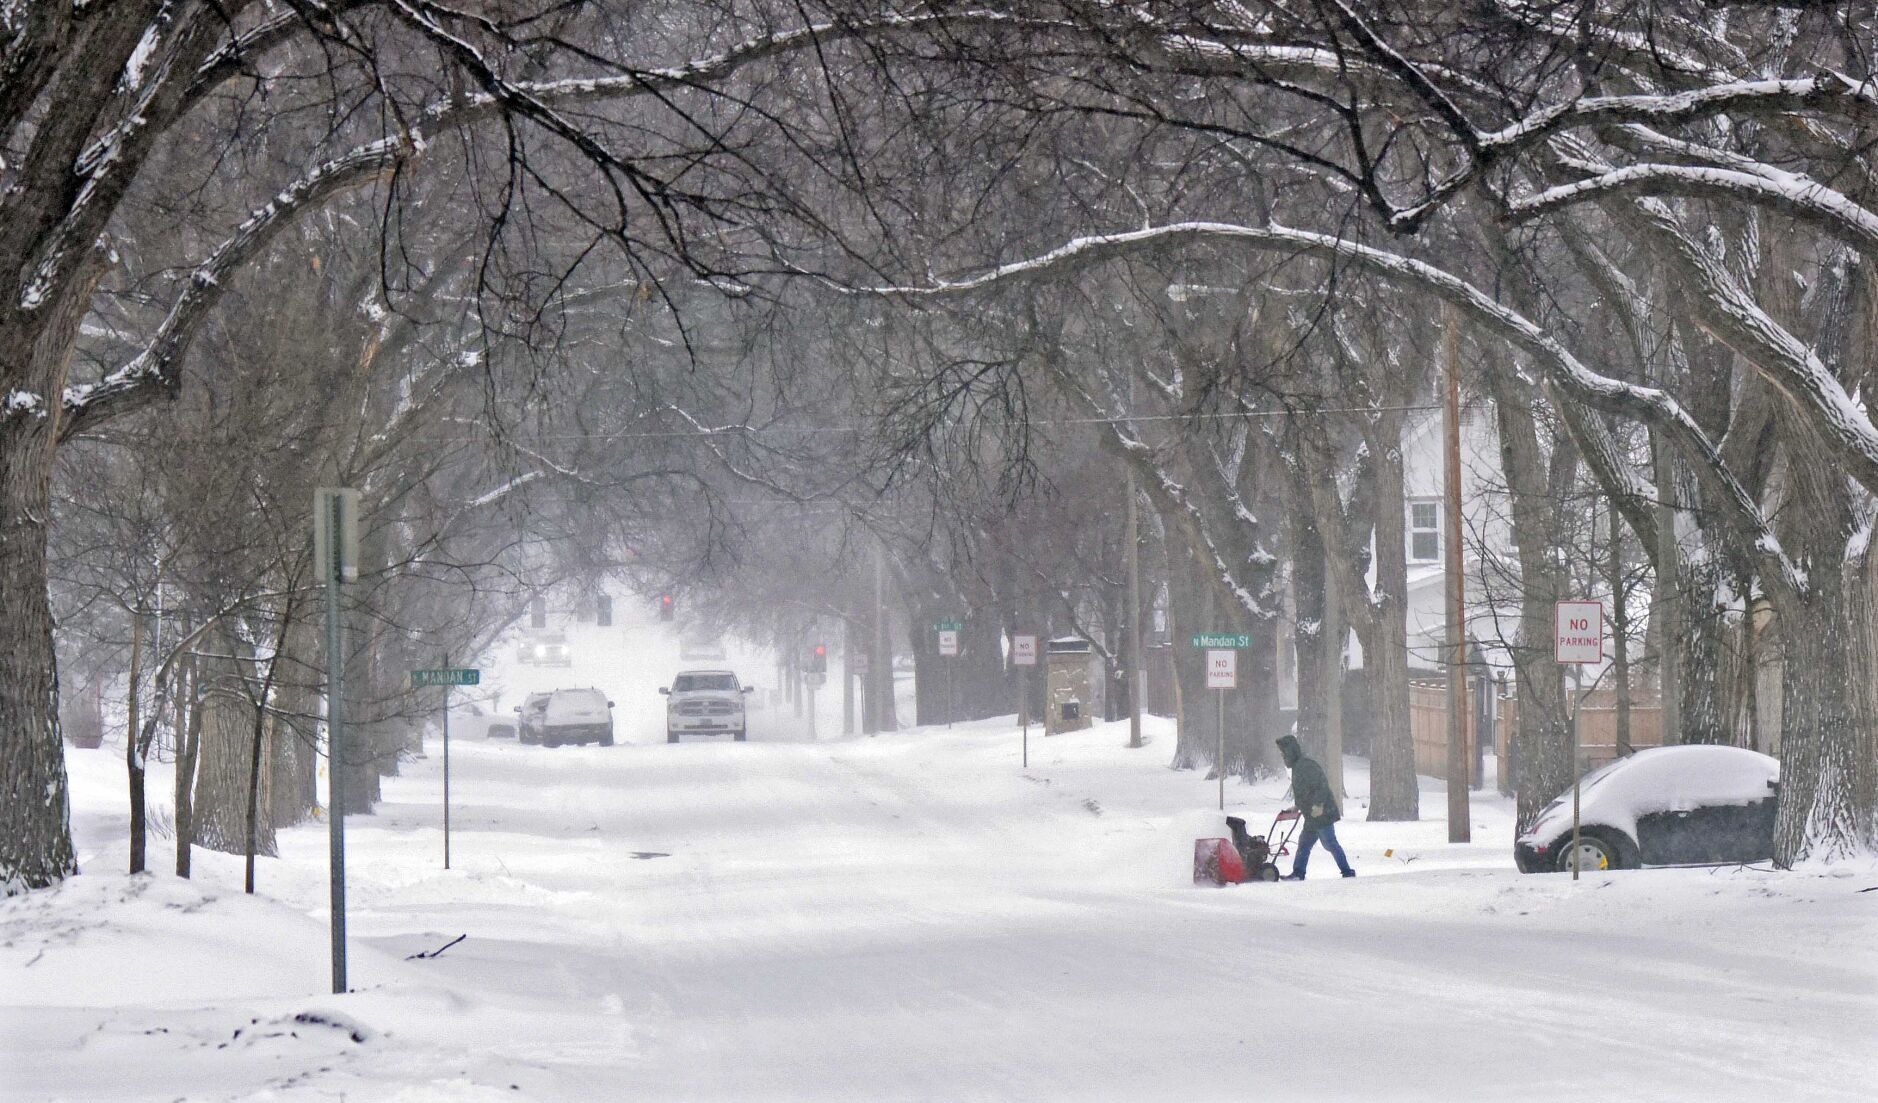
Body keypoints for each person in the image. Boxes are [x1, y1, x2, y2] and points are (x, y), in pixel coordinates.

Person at [1275, 735, 1355, 880]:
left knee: (1329, 843)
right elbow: (1305, 792)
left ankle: (1347, 872)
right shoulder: (1298, 767)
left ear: (1290, 752)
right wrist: (1298, 806)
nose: (1283, 757)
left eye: (1283, 753)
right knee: (1304, 843)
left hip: (1322, 813)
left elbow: (1321, 786)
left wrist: (1318, 805)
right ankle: (1298, 873)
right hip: (1312, 816)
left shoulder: (1306, 765)